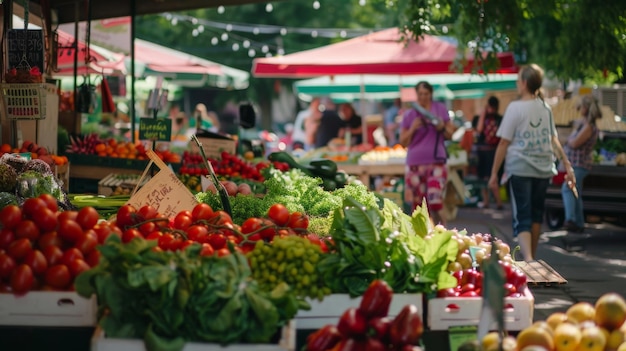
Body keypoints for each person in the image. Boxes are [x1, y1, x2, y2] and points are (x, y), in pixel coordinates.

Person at [488, 64, 576, 261]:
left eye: (518, 80)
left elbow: (503, 142)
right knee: (536, 214)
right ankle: (532, 258)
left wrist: (494, 172)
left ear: (524, 83)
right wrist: (567, 165)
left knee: (523, 216)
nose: (517, 83)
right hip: (544, 168)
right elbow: (553, 139)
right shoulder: (545, 108)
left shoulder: (515, 108)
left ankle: (528, 260)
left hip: (520, 168)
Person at [399, 81, 457, 226]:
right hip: (414, 163)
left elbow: (451, 134)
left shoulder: (440, 109)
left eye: (426, 94)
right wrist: (413, 128)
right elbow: (403, 142)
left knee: (435, 201)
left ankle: (443, 232)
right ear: (416, 94)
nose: (423, 97)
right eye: (420, 94)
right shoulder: (410, 114)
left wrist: (442, 127)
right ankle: (423, 236)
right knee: (418, 204)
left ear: (431, 94)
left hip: (436, 160)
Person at [561, 95, 602, 232]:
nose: (580, 109)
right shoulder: (584, 124)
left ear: (586, 108)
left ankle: (571, 219)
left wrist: (566, 141)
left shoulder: (589, 127)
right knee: (575, 192)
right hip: (576, 164)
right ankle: (579, 223)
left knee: (568, 188)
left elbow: (575, 143)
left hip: (580, 164)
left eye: (582, 106)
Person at [473, 96, 504, 210]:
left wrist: (482, 114)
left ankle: (497, 202)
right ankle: (489, 201)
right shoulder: (497, 118)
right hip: (488, 152)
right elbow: (479, 130)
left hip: (490, 152)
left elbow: (479, 130)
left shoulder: (497, 119)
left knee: (490, 177)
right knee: (485, 178)